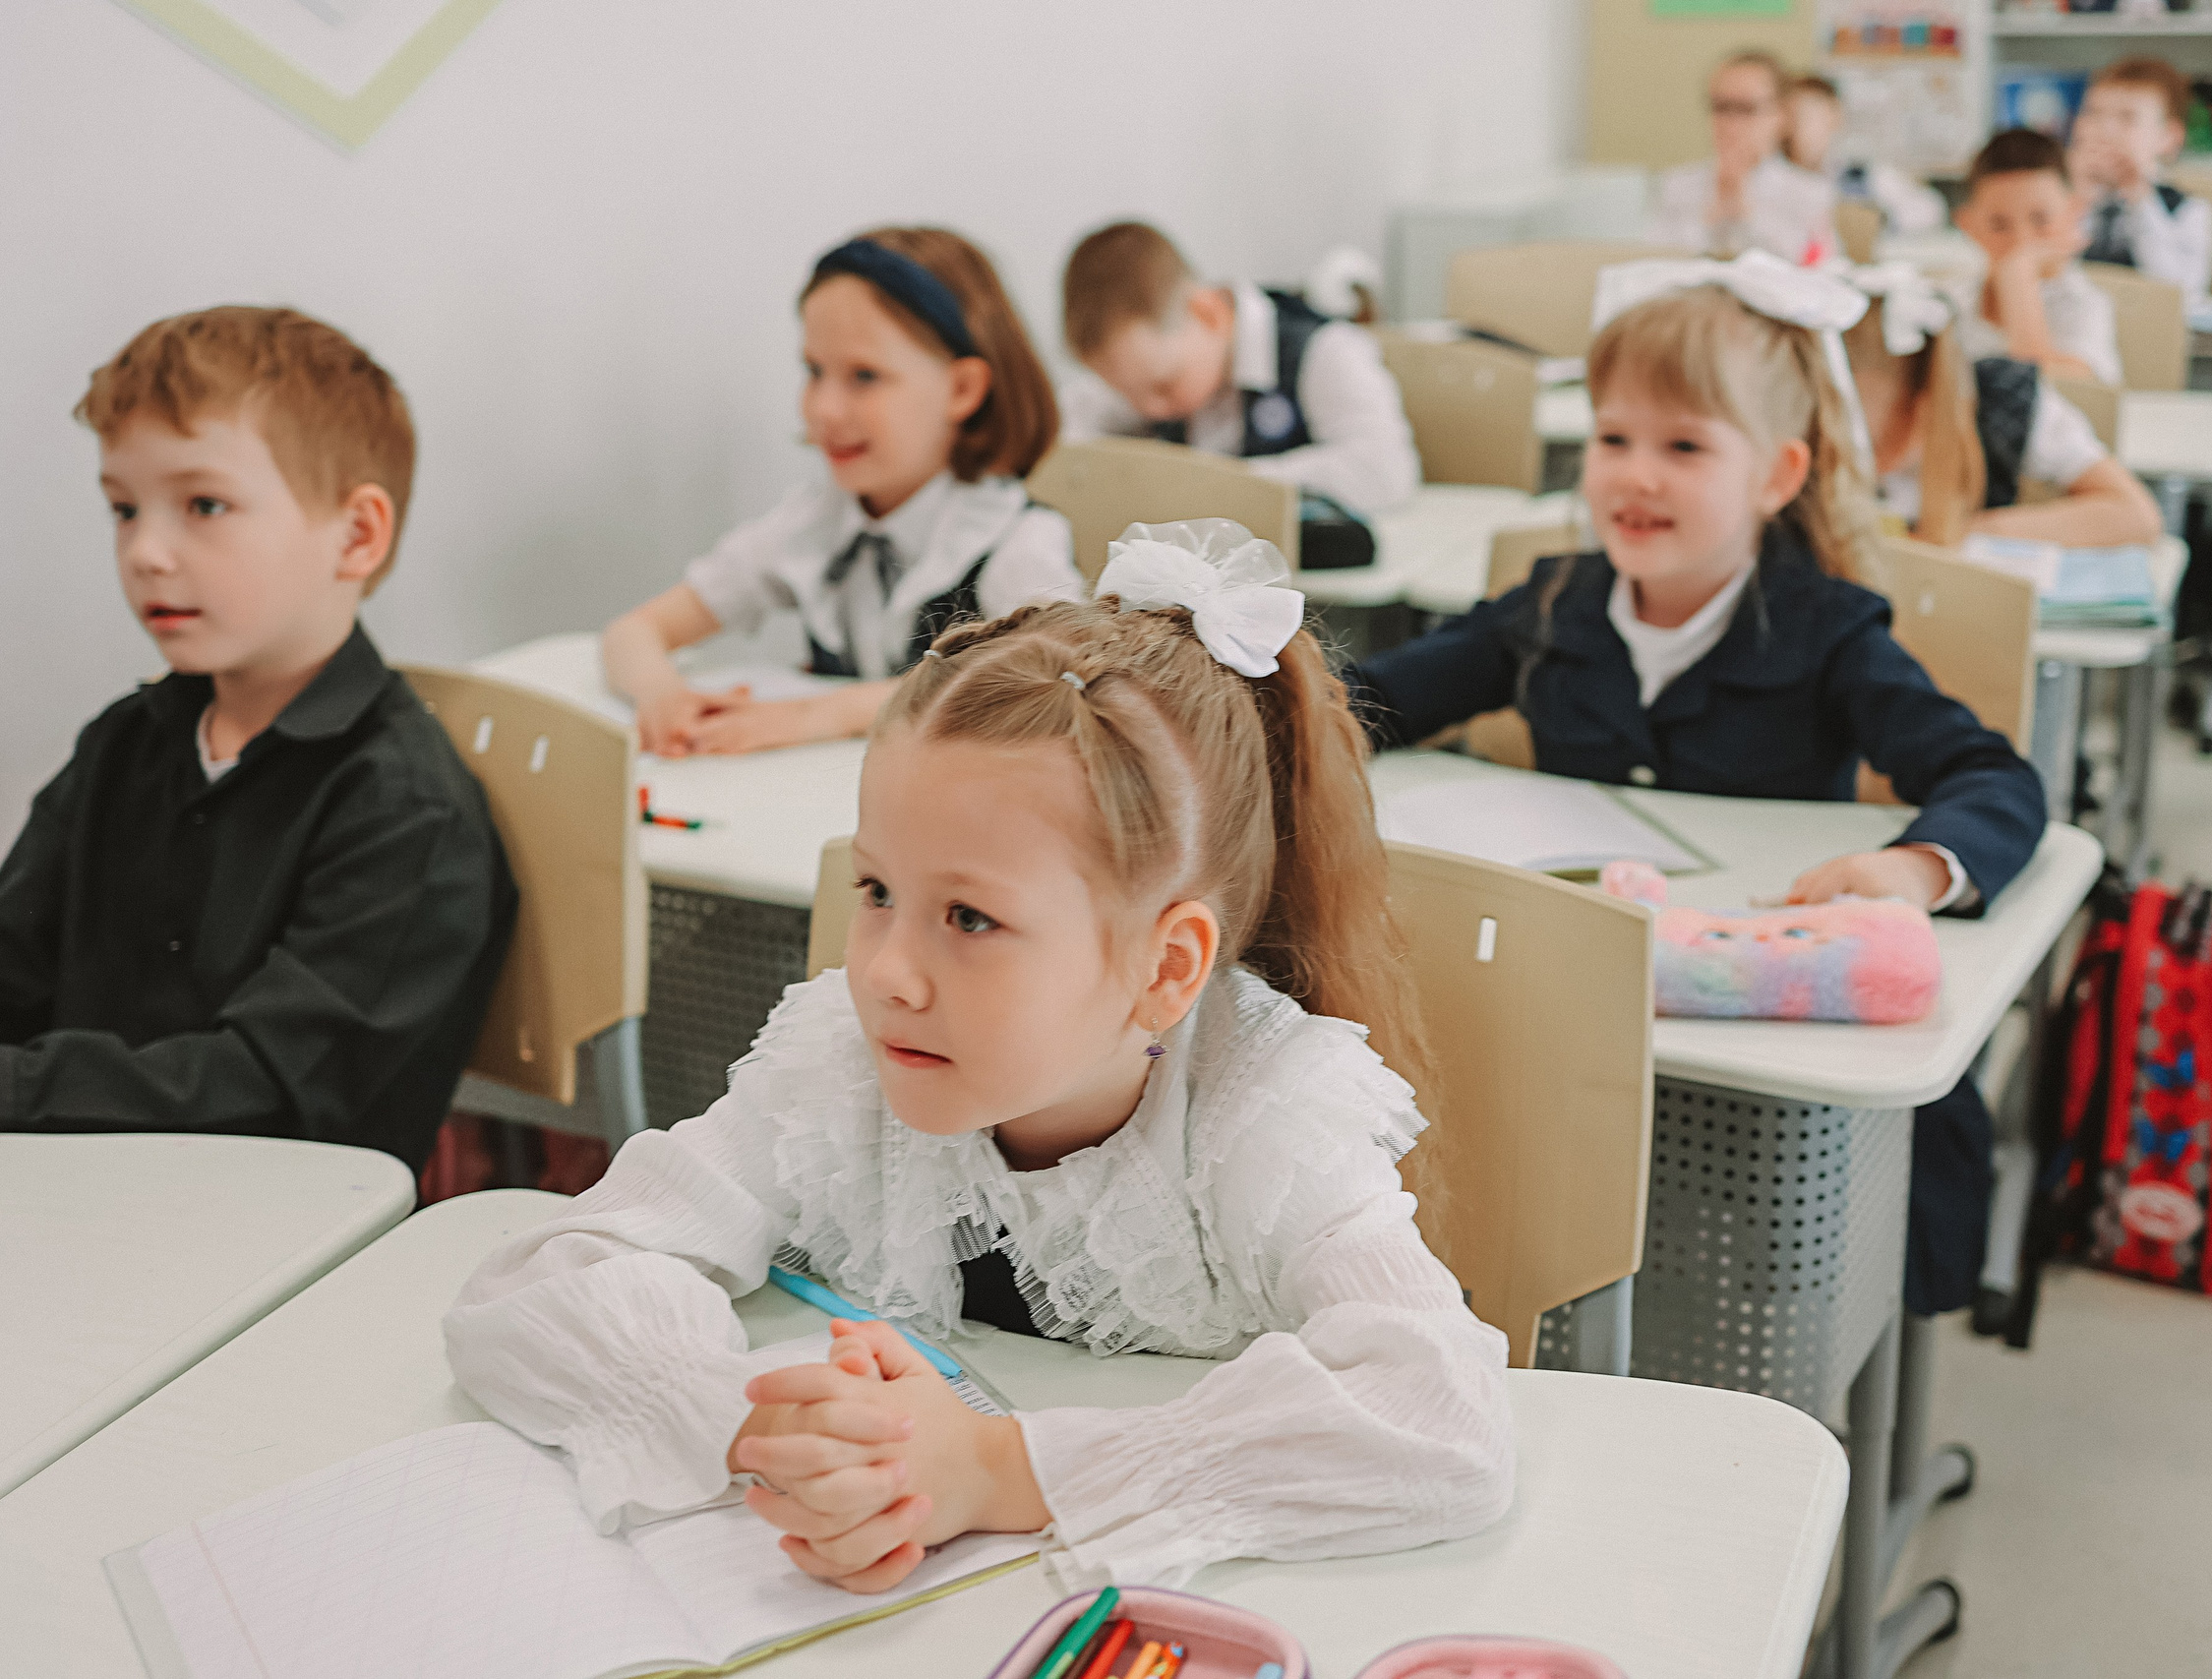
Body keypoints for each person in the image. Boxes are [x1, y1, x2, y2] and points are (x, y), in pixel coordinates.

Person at [446, 519, 1515, 1592]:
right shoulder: (843, 1066)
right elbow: (545, 1277)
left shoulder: (1264, 1113)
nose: (885, 975)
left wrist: (994, 1472)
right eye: (876, 893)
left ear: (1165, 967)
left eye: (968, 918)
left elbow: (1440, 1412)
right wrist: (774, 1433)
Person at [1345, 257, 2046, 1317]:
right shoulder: (1554, 604)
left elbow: (1989, 772)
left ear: (1775, 474)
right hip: (1579, 1023)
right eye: (1613, 440)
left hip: (1750, 1047)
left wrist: (1910, 867)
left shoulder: (1826, 627)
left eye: (1683, 447)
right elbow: (1376, 696)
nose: (1636, 476)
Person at [0, 307, 515, 1173]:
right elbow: (1, 970)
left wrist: (2, 1090)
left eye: (204, 505)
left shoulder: (406, 812)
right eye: (123, 509)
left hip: (270, 1236)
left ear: (357, 534)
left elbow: (261, 1092)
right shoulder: (128, 739)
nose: (146, 551)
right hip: (82, 1180)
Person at [602, 228, 1078, 756]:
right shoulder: (815, 523)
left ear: (962, 389)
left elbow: (1049, 684)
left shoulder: (1014, 540)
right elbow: (634, 631)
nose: (823, 410)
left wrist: (816, 715)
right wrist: (663, 694)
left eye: (864, 376)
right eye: (814, 371)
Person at [1059, 220, 1419, 518]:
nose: (1148, 408)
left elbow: (1384, 471)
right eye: (1126, 393)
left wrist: (1224, 486)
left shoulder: (1326, 350)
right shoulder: (1150, 367)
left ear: (1208, 314)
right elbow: (1069, 434)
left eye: (1164, 386)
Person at [1844, 269, 2161, 548]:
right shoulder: (1816, 409)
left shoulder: (2005, 399)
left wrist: (1970, 534)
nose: (1848, 442)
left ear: (1923, 406)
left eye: (1868, 432)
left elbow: (2135, 516)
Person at [1953, 128, 2122, 386]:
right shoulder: (1954, 304)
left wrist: (2018, 275)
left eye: (2041, 220)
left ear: (2074, 213)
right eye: (1999, 225)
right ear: (1967, 224)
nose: (2022, 242)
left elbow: (2045, 387)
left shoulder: (2085, 306)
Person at [1646, 51, 1837, 264]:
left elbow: (1817, 269)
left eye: (1746, 108)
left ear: (1781, 115)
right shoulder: (1677, 184)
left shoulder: (1808, 192)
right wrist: (1712, 214)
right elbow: (1656, 261)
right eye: (1721, 107)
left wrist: (1746, 213)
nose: (1731, 123)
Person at [2070, 56, 2212, 303]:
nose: (2106, 129)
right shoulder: (2060, 195)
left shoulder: (2189, 210)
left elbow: (2181, 294)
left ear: (2168, 137)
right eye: (2093, 113)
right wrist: (2077, 195)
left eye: (2127, 117)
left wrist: (2138, 196)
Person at [1783, 73, 1947, 237]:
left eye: (1815, 117)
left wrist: (1877, 220)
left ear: (1836, 117)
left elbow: (1931, 209)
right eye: (1798, 117)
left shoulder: (1857, 174)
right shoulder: (1773, 177)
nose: (1805, 129)